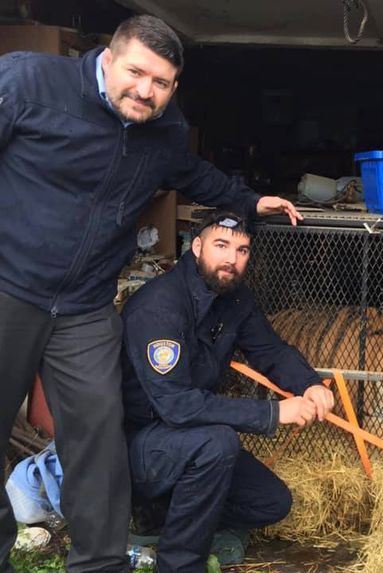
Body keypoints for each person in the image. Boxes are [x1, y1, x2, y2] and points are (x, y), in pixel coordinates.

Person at [0, 14, 302, 573]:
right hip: (10, 287)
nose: (145, 90)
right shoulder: (26, 83)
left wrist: (247, 201)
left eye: (161, 82)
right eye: (136, 72)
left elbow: (190, 172)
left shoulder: (162, 128)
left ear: (174, 87)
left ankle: (99, 564)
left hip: (85, 306)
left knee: (97, 443)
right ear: (107, 59)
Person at [120, 210, 335, 572]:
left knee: (271, 502)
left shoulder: (233, 298)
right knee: (218, 443)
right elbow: (176, 406)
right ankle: (179, 562)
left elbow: (270, 350)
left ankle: (159, 518)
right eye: (222, 246)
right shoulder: (160, 307)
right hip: (141, 447)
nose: (232, 259)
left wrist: (308, 384)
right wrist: (272, 413)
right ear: (198, 246)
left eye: (243, 250)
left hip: (189, 438)